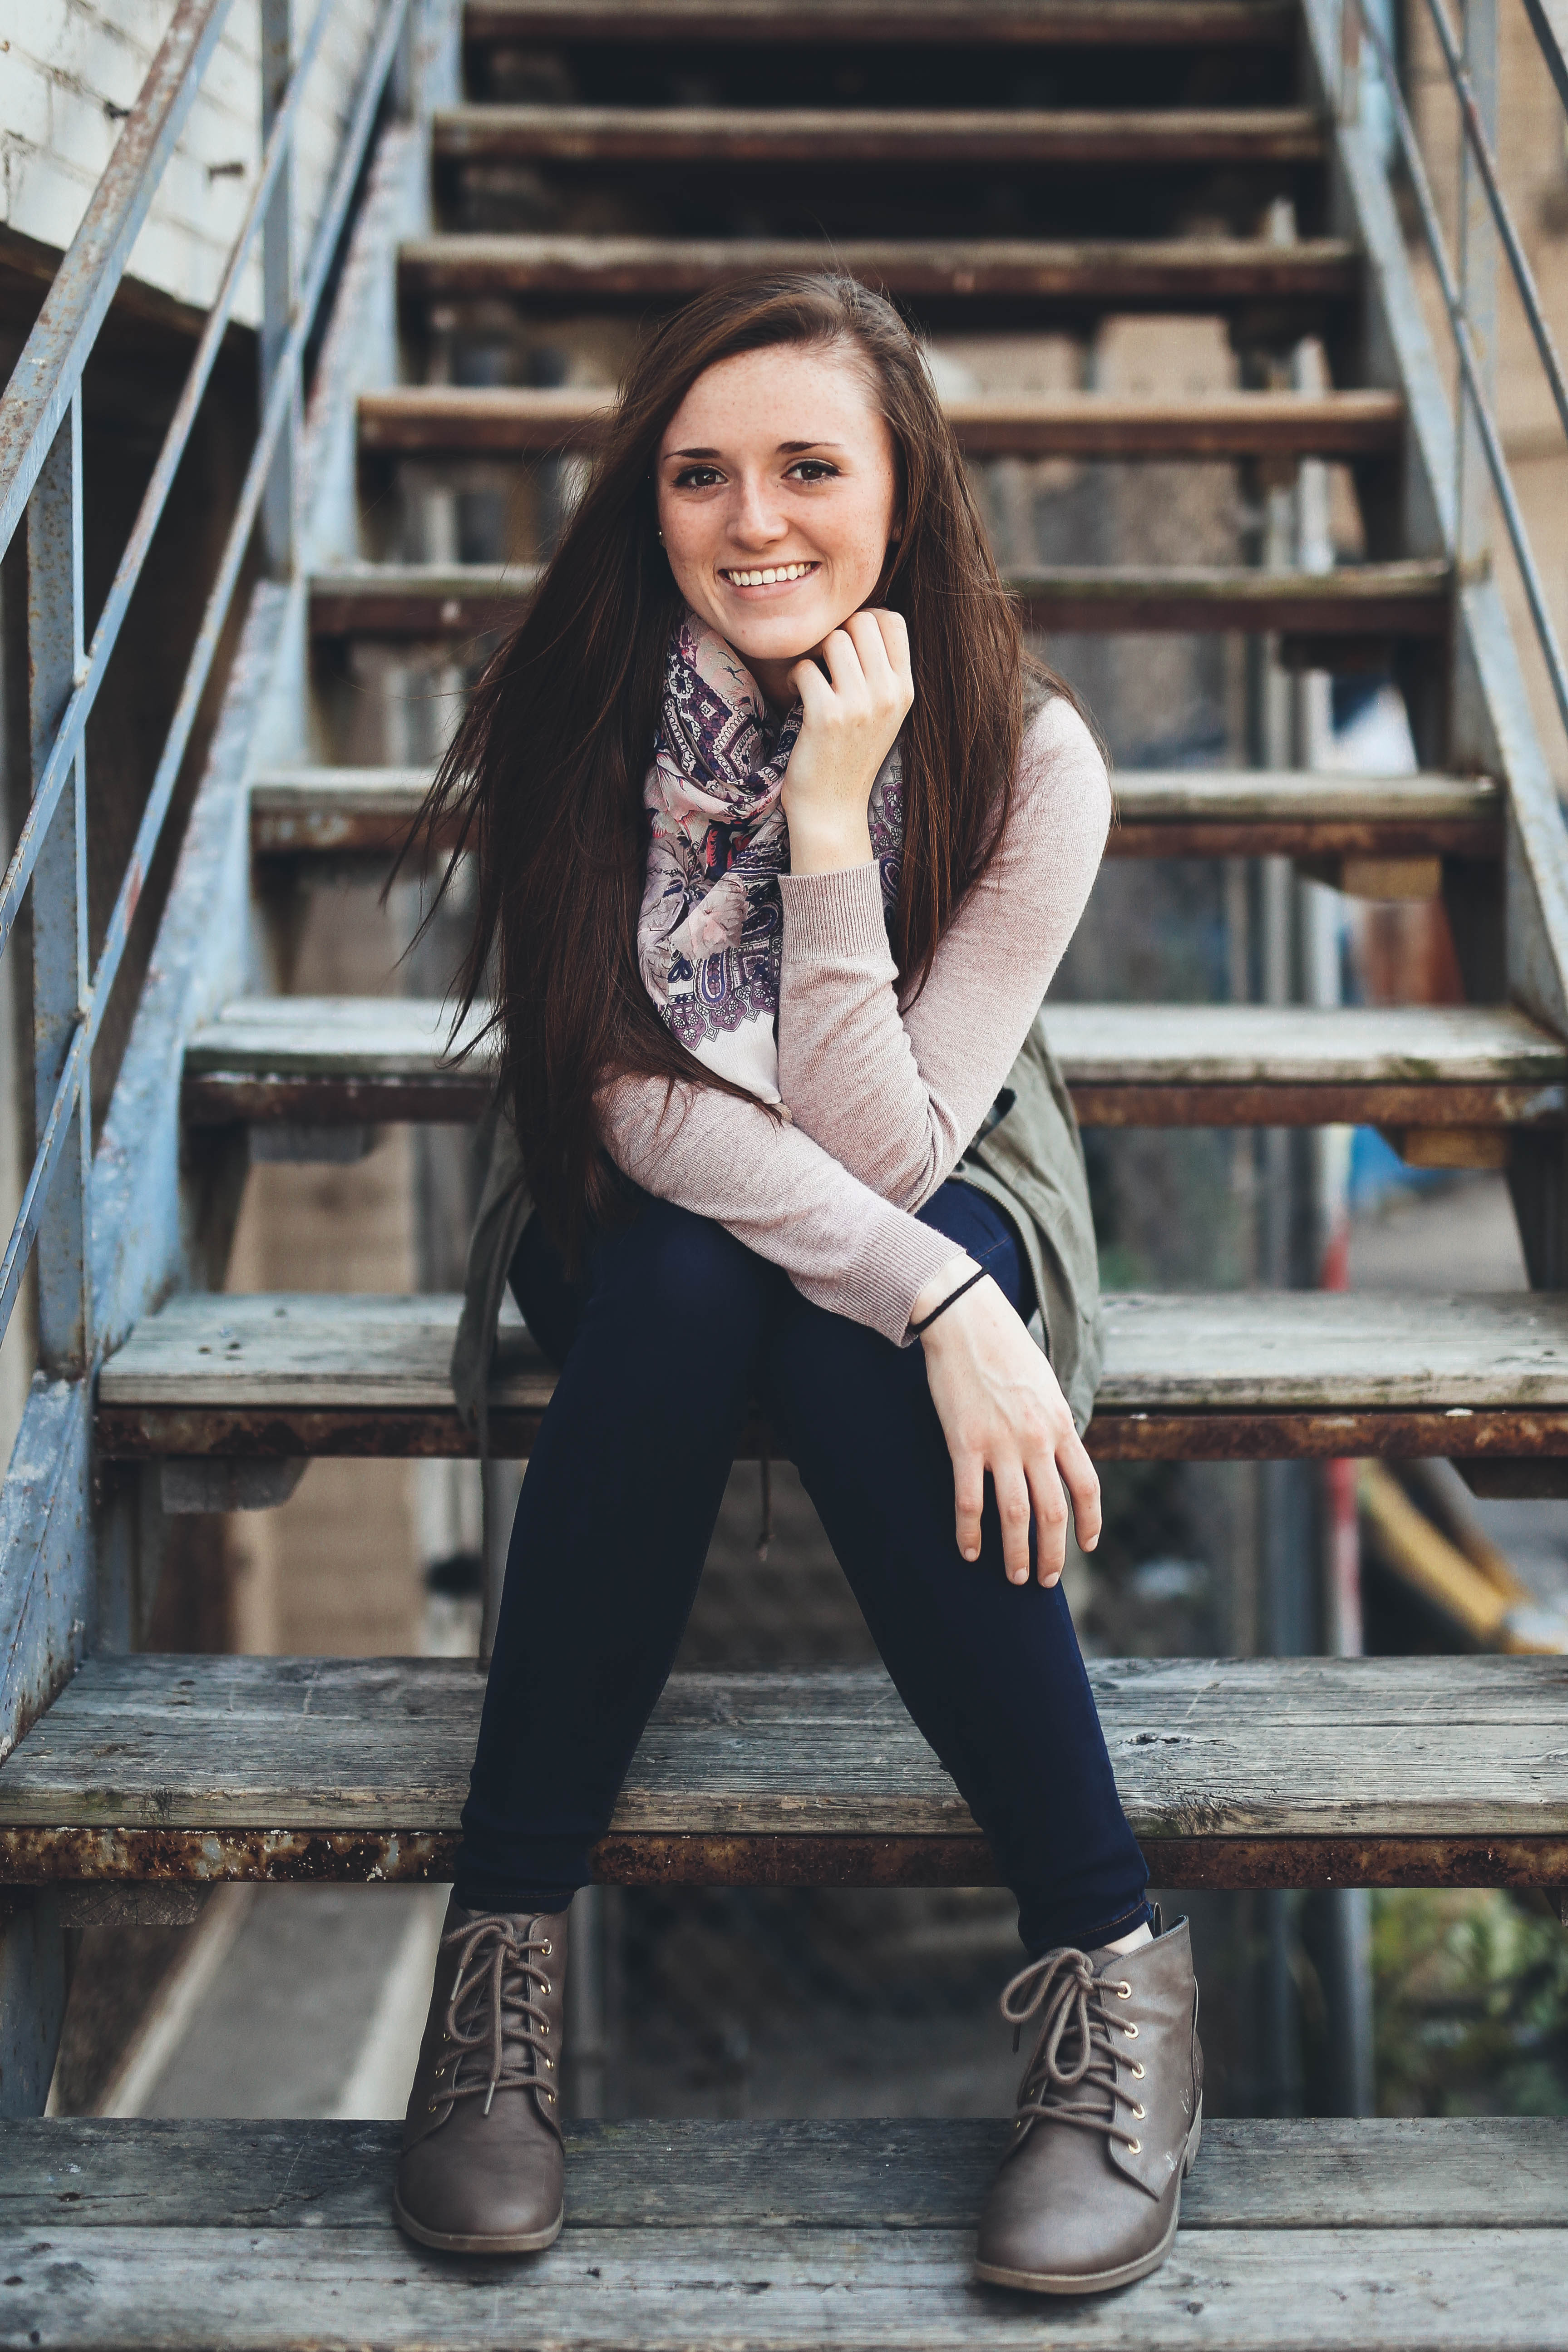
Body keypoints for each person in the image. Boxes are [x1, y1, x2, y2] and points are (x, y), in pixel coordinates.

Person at [390, 273, 1202, 2294]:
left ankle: (1110, 1975)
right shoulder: (576, 710)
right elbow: (624, 1099)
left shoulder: (1031, 758)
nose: (752, 521)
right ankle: (498, 1980)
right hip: (631, 1179)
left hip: (943, 1143)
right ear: (649, 497)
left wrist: (831, 819)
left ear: (903, 489)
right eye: (700, 475)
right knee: (696, 1289)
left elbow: (897, 1154)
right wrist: (942, 1305)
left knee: (844, 1330)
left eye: (808, 468)